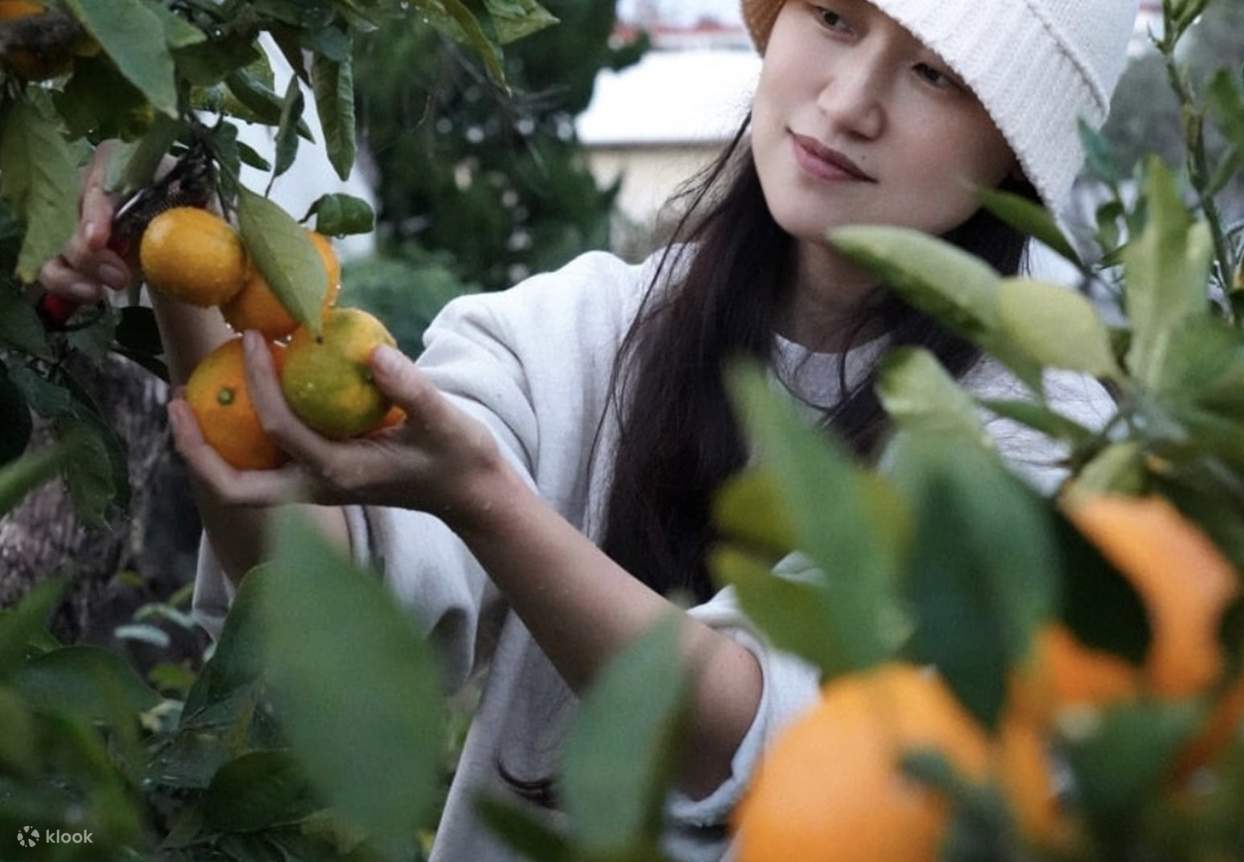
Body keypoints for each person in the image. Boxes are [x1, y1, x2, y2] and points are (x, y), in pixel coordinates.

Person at [38, 0, 1139, 858]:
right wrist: (188, 263)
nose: (849, 99)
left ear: (1016, 149)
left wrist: (486, 503)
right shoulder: (579, 331)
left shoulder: (1043, 438)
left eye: (935, 73)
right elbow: (341, 600)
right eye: (832, 17)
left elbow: (772, 741)